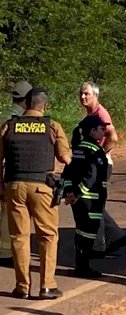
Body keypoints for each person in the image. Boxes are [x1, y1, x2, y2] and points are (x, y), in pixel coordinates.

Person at [0, 87, 72, 299]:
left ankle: (22, 287)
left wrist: (1, 187)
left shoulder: (8, 126)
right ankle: (47, 285)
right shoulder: (52, 126)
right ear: (45, 105)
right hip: (41, 187)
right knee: (48, 236)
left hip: (14, 186)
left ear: (26, 104)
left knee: (19, 237)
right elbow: (65, 159)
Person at [79, 82, 126, 257]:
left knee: (92, 203)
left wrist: (99, 154)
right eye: (81, 94)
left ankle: (99, 245)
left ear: (95, 95)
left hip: (100, 165)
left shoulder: (101, 113)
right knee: (92, 202)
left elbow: (113, 137)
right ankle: (113, 237)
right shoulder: (91, 113)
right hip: (94, 164)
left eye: (86, 94)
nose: (83, 97)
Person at [61, 115, 109, 279]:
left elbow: (68, 172)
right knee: (88, 232)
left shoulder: (78, 148)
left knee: (81, 231)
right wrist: (76, 193)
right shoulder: (94, 150)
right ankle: (83, 268)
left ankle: (81, 265)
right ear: (93, 130)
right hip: (91, 200)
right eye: (101, 129)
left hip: (79, 200)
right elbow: (91, 176)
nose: (104, 132)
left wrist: (69, 192)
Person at [0, 80, 32, 267]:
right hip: (8, 170)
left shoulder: (3, 114)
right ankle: (6, 253)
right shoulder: (17, 119)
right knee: (8, 214)